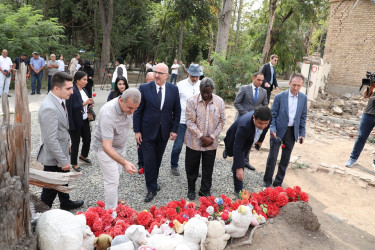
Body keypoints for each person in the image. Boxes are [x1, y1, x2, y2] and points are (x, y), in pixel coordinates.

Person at [133, 63, 181, 203]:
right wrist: (137, 131)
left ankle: (153, 181)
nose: (157, 75)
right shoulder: (144, 88)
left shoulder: (173, 89)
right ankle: (151, 188)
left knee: (158, 159)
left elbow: (177, 111)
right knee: (148, 160)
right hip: (147, 131)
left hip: (164, 132)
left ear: (167, 75)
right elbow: (138, 111)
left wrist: (174, 130)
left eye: (160, 73)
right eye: (155, 72)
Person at [36, 71, 84, 210]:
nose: (72, 91)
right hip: (53, 156)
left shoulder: (58, 100)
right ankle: (40, 215)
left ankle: (65, 202)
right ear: (56, 88)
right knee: (50, 188)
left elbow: (61, 128)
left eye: (71, 87)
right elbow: (50, 139)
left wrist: (67, 144)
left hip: (61, 150)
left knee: (64, 179)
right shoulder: (49, 108)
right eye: (68, 89)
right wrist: (63, 160)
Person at [92, 88, 140, 209]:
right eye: (130, 108)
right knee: (112, 180)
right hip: (105, 149)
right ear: (121, 100)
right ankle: (110, 213)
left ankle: (113, 200)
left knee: (116, 177)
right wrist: (125, 162)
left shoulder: (129, 106)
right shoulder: (108, 113)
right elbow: (106, 146)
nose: (132, 111)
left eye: (135, 108)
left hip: (120, 147)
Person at [263, 73, 307, 188]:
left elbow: (303, 117)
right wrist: (272, 129)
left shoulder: (303, 98)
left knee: (285, 159)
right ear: (289, 83)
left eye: (299, 85)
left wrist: (302, 133)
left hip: (292, 132)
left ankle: (278, 183)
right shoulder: (279, 97)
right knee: (273, 157)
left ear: (302, 85)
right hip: (277, 131)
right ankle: (267, 183)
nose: (296, 88)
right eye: (294, 85)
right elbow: (272, 115)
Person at [184, 78, 226, 200]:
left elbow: (222, 121)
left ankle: (205, 190)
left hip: (211, 144)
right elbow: (189, 121)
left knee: (208, 168)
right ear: (200, 90)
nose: (206, 95)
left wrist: (211, 137)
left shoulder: (219, 101)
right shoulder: (192, 101)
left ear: (212, 90)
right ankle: (191, 189)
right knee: (191, 167)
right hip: (194, 142)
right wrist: (202, 136)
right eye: (203, 92)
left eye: (208, 92)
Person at [224, 106, 271, 196]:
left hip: (249, 137)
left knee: (242, 157)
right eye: (260, 123)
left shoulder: (267, 117)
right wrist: (239, 168)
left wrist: (260, 140)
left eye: (265, 123)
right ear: (254, 118)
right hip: (234, 136)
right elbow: (238, 149)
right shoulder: (244, 126)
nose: (263, 126)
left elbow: (265, 128)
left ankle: (238, 188)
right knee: (235, 156)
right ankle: (238, 189)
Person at [170, 64, 203, 176]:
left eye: (197, 76)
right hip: (182, 120)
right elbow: (174, 102)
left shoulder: (201, 85)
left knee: (195, 147)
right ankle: (174, 165)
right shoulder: (180, 85)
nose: (195, 78)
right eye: (193, 75)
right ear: (188, 73)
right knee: (178, 145)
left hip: (196, 122)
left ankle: (193, 168)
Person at [233, 72, 268, 170]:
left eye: (262, 80)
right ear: (253, 78)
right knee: (238, 141)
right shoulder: (244, 88)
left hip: (255, 122)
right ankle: (235, 161)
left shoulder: (263, 92)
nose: (260, 82)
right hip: (242, 119)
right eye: (258, 80)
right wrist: (246, 114)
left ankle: (245, 161)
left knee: (250, 140)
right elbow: (237, 103)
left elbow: (265, 105)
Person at [66, 71, 94, 172]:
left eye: (86, 79)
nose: (86, 81)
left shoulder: (84, 90)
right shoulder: (72, 91)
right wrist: (84, 103)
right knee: (75, 142)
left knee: (87, 139)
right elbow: (71, 107)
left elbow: (84, 104)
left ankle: (83, 155)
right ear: (77, 80)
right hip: (75, 120)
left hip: (85, 119)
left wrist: (89, 104)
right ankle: (74, 162)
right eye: (84, 79)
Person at [345, 82, 375, 170]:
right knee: (361, 137)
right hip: (368, 115)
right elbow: (365, 95)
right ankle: (353, 158)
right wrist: (371, 87)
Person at [137, 72, 156, 171]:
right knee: (140, 144)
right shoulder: (141, 89)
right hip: (143, 123)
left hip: (153, 124)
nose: (153, 82)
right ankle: (141, 163)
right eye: (151, 80)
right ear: (146, 80)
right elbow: (137, 110)